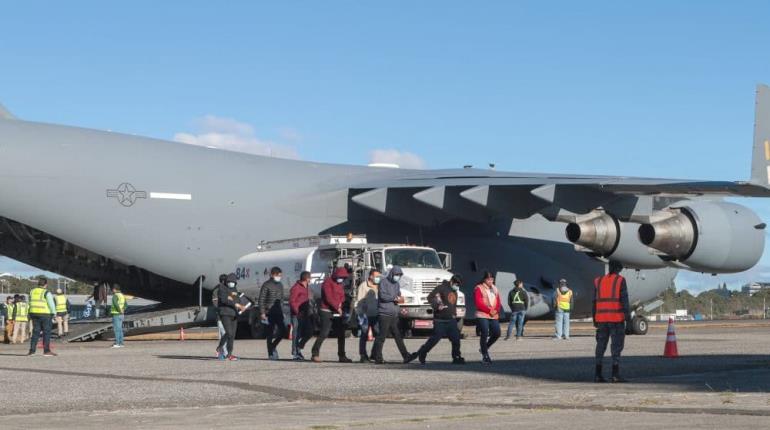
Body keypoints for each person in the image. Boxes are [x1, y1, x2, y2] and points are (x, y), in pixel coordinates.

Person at [593, 260, 631, 383]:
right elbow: (624, 301)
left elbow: (594, 302)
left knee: (600, 346)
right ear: (618, 269)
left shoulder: (598, 281)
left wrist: (594, 318)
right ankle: (615, 374)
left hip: (601, 320)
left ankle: (598, 374)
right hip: (616, 319)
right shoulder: (620, 280)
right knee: (616, 347)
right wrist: (628, 319)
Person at [370, 266, 418, 365]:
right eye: (396, 275)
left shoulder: (397, 284)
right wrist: (394, 298)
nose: (398, 277)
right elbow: (382, 296)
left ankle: (406, 356)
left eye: (399, 275)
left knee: (398, 335)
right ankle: (378, 357)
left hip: (393, 313)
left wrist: (400, 298)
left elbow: (398, 294)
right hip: (384, 313)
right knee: (382, 336)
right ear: (392, 274)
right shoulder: (383, 282)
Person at [414, 275, 465, 364]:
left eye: (459, 285)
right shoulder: (441, 288)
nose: (457, 286)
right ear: (452, 282)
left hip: (451, 320)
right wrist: (437, 306)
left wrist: (454, 314)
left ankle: (456, 356)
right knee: (435, 339)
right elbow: (430, 297)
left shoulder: (455, 291)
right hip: (440, 320)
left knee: (456, 339)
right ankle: (423, 352)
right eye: (456, 284)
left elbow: (453, 304)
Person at [311, 267, 353, 363]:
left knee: (341, 334)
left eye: (343, 277)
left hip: (337, 311)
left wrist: (340, 304)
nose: (341, 279)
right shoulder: (327, 282)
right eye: (340, 277)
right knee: (324, 333)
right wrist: (337, 307)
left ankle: (342, 355)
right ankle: (315, 353)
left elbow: (342, 296)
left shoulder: (340, 284)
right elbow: (329, 297)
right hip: (326, 310)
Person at [474, 271, 502, 364]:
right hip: (483, 314)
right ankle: (485, 355)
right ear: (484, 279)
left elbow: (498, 302)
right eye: (488, 279)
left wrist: (496, 310)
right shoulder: (479, 288)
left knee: (497, 333)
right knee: (485, 333)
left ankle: (485, 347)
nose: (490, 281)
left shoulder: (495, 289)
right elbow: (478, 303)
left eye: (492, 279)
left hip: (493, 315)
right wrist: (489, 311)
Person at [259, 267, 286, 360]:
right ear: (274, 274)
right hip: (268, 313)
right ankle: (271, 353)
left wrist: (282, 311)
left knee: (283, 331)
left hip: (278, 312)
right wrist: (262, 312)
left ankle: (273, 346)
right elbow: (261, 299)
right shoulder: (266, 285)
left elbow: (281, 300)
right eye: (279, 275)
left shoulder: (280, 285)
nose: (280, 277)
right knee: (269, 334)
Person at [355, 270, 380, 363]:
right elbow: (360, 301)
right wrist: (361, 315)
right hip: (365, 314)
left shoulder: (379, 286)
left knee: (379, 334)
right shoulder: (363, 286)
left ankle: (374, 353)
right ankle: (363, 355)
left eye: (379, 276)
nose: (378, 278)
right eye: (376, 276)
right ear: (370, 276)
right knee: (364, 335)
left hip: (376, 314)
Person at [217, 273, 243, 361]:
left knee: (232, 336)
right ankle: (220, 347)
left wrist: (238, 304)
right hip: (225, 313)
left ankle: (230, 354)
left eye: (233, 282)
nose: (231, 283)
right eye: (229, 281)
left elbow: (237, 299)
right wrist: (234, 302)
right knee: (229, 333)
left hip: (234, 314)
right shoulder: (222, 288)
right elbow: (224, 300)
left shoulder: (234, 289)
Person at [28, 276, 57, 356]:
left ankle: (32, 351)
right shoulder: (46, 292)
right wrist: (54, 313)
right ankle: (46, 351)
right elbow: (51, 304)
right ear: (46, 285)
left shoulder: (32, 291)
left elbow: (29, 302)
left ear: (38, 284)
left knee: (35, 332)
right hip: (45, 314)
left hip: (34, 313)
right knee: (46, 332)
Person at [289, 271, 313, 360]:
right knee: (296, 333)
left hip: (305, 313)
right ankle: (295, 353)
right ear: (307, 279)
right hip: (297, 314)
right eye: (310, 278)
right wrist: (297, 312)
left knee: (310, 331)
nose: (311, 280)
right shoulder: (296, 288)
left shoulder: (307, 287)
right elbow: (292, 301)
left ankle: (299, 347)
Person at [212, 274, 228, 357]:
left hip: (228, 316)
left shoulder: (228, 289)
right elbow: (215, 303)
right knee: (223, 334)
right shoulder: (216, 290)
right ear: (223, 281)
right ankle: (222, 353)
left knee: (226, 334)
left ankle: (224, 352)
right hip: (220, 316)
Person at [111, 284, 126, 348]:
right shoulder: (122, 295)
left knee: (116, 329)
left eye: (112, 289)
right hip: (122, 314)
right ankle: (121, 343)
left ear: (114, 289)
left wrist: (119, 310)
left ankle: (117, 343)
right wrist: (122, 310)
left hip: (116, 314)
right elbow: (126, 304)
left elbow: (115, 304)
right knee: (120, 329)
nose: (112, 290)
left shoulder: (115, 296)